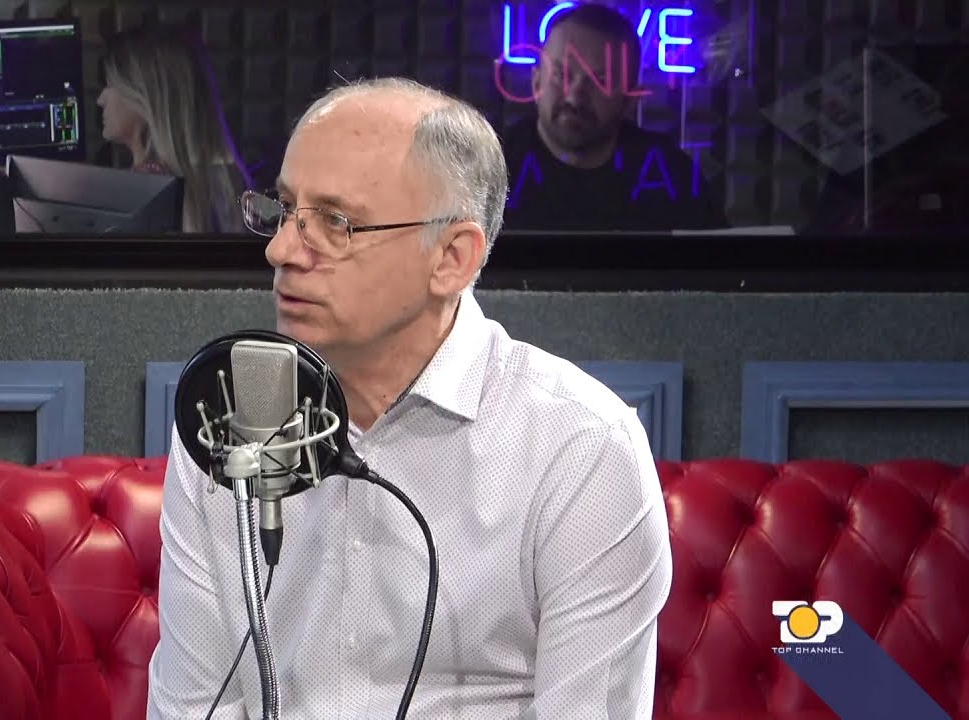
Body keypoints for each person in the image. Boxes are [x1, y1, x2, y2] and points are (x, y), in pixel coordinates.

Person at [148, 76, 673, 718]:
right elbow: (194, 705)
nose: (281, 250)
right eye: (284, 210)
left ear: (451, 258)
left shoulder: (581, 452)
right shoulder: (225, 420)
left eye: (335, 223)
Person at [501, 3, 727, 231]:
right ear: (536, 82)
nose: (575, 97)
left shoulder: (672, 173)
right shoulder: (490, 164)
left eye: (601, 81)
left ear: (629, 100)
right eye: (561, 75)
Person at [97, 25, 251, 233]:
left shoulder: (135, 198)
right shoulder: (227, 182)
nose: (100, 99)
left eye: (110, 84)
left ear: (146, 96)